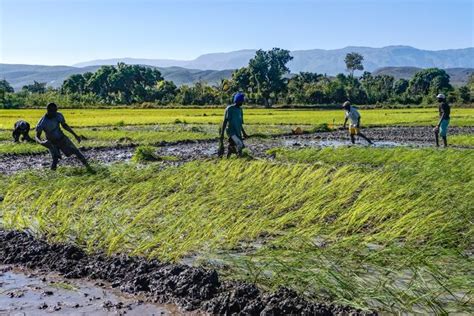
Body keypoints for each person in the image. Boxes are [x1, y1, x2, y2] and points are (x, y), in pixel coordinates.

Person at [35, 102, 91, 170]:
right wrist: (42, 142)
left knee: (76, 152)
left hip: (62, 138)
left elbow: (64, 125)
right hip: (51, 142)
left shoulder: (58, 115)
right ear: (48, 110)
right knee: (55, 159)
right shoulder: (42, 122)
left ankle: (89, 168)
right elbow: (37, 136)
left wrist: (75, 135)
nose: (54, 112)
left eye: (55, 110)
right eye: (52, 111)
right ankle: (52, 175)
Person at [218, 92, 248, 157]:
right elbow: (225, 121)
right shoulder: (230, 109)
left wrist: (244, 133)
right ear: (237, 101)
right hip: (231, 131)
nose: (242, 103)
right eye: (241, 101)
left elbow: (240, 123)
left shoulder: (240, 110)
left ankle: (230, 157)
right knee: (239, 144)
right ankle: (239, 158)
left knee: (234, 146)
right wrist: (222, 133)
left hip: (238, 131)